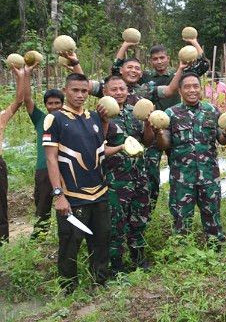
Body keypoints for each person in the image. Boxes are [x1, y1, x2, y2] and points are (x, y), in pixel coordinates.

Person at [61, 46, 188, 209]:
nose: (119, 92)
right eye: (129, 67)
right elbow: (85, 85)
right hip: (115, 164)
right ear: (120, 70)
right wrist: (76, 63)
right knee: (116, 201)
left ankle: (147, 212)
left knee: (148, 185)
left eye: (137, 68)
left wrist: (181, 68)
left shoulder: (145, 89)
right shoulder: (107, 92)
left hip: (142, 151)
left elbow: (170, 90)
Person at [43, 73, 122, 292]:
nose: (80, 95)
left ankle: (100, 282)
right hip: (72, 196)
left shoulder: (94, 117)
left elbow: (99, 149)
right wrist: (59, 195)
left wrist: (106, 123)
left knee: (101, 239)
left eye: (84, 91)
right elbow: (51, 159)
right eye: (75, 90)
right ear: (65, 90)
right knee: (70, 243)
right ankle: (68, 288)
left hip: (99, 192)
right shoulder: (55, 119)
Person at [155, 73, 226, 246]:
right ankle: (182, 250)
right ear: (180, 90)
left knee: (212, 212)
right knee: (181, 216)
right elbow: (164, 144)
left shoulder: (212, 111)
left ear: (200, 89)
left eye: (195, 86)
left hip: (209, 174)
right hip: (182, 177)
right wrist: (159, 134)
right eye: (187, 87)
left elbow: (221, 139)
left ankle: (215, 247)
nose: (192, 90)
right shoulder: (170, 114)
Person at [102, 75, 155, 273]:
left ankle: (138, 259)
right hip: (115, 179)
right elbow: (98, 148)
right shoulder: (99, 117)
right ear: (105, 92)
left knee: (139, 218)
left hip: (139, 175)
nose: (119, 93)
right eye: (114, 89)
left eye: (122, 89)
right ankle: (116, 265)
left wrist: (148, 124)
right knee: (115, 222)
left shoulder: (135, 112)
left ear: (127, 90)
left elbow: (147, 142)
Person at [19, 65, 63, 239]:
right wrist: (26, 75)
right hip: (44, 169)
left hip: (64, 168)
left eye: (57, 103)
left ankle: (65, 235)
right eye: (50, 103)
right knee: (42, 203)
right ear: (45, 105)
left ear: (62, 104)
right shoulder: (40, 119)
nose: (54, 106)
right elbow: (27, 99)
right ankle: (39, 236)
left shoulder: (68, 120)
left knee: (68, 203)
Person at [0, 66, 27, 245]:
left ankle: (2, 244)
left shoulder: (1, 117)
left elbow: (19, 101)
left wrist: (20, 77)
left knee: (1, 206)